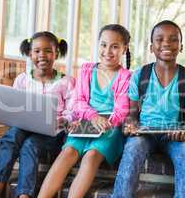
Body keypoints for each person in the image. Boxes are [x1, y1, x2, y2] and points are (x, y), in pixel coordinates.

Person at [38, 24, 131, 198]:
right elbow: (79, 102)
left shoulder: (126, 76)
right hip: (85, 123)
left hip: (109, 128)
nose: (108, 51)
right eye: (103, 45)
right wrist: (92, 117)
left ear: (124, 49)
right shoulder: (87, 70)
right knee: (68, 152)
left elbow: (122, 111)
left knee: (91, 156)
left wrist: (105, 122)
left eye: (115, 46)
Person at [111, 20, 185, 198]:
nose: (166, 43)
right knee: (133, 148)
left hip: (174, 135)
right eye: (159, 39)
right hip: (145, 134)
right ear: (151, 47)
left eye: (173, 39)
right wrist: (131, 126)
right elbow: (132, 115)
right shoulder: (140, 76)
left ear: (181, 46)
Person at [0, 31, 75, 198]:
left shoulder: (66, 81)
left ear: (56, 53)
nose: (42, 55)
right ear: (29, 53)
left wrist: (63, 119)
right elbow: (14, 106)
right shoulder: (22, 79)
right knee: (11, 137)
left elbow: (72, 111)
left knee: (30, 146)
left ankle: (24, 195)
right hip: (25, 126)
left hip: (52, 132)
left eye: (48, 51)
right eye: (37, 51)